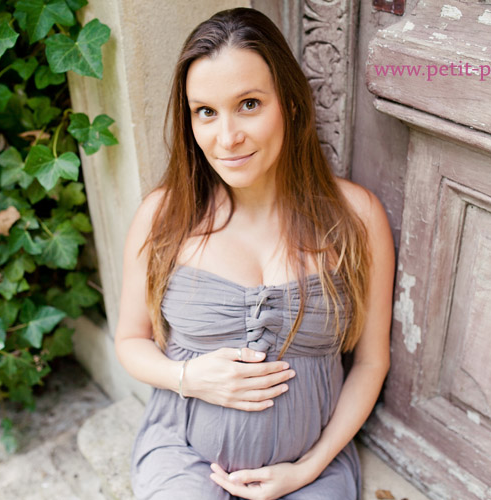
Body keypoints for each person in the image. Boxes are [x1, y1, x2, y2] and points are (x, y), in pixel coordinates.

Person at [114, 7, 394, 500]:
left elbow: (371, 363)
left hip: (311, 467)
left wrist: (309, 468)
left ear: (290, 102)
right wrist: (187, 377)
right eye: (206, 112)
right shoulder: (164, 215)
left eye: (248, 104)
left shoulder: (357, 217)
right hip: (184, 453)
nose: (227, 138)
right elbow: (130, 340)